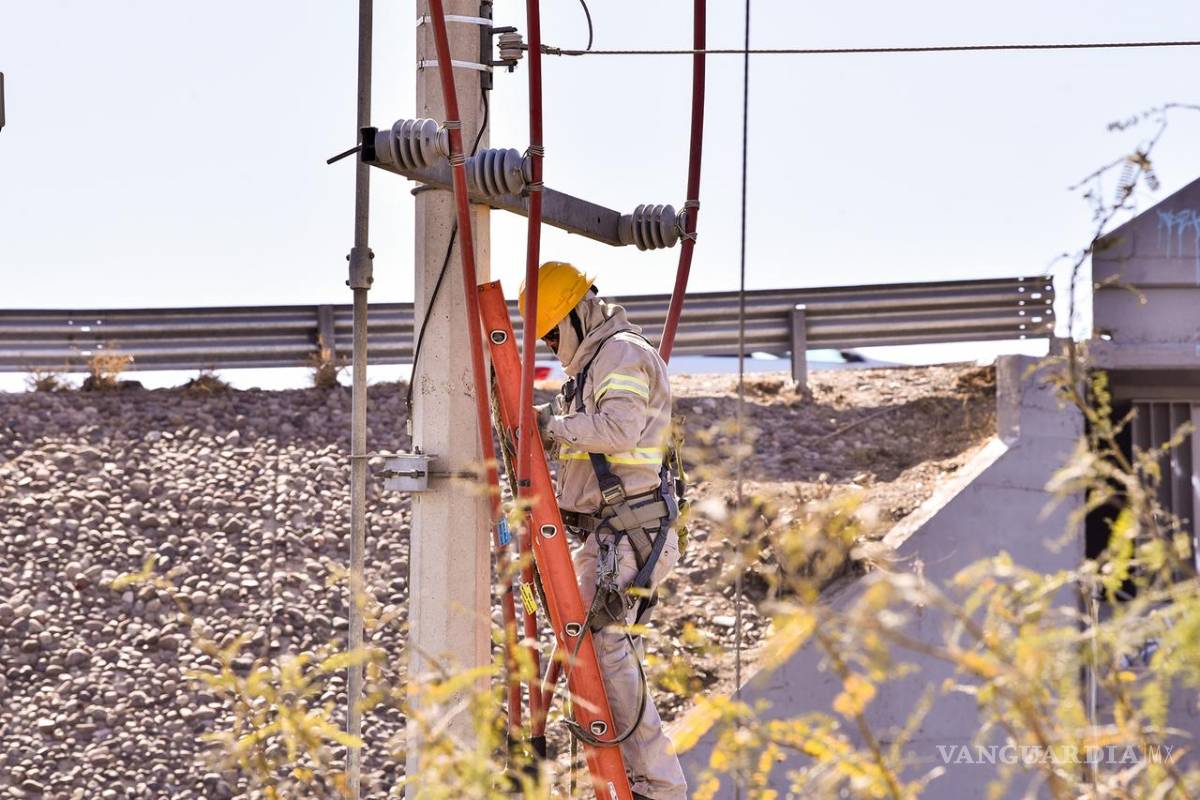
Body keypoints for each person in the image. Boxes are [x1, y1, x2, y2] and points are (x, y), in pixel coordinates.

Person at [519, 261, 688, 800]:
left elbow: (618, 429)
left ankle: (659, 787)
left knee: (603, 645)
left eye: (552, 333)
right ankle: (633, 779)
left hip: (629, 530)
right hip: (609, 533)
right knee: (586, 647)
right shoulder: (592, 367)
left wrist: (549, 427)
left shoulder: (620, 354)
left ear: (579, 314)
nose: (550, 346)